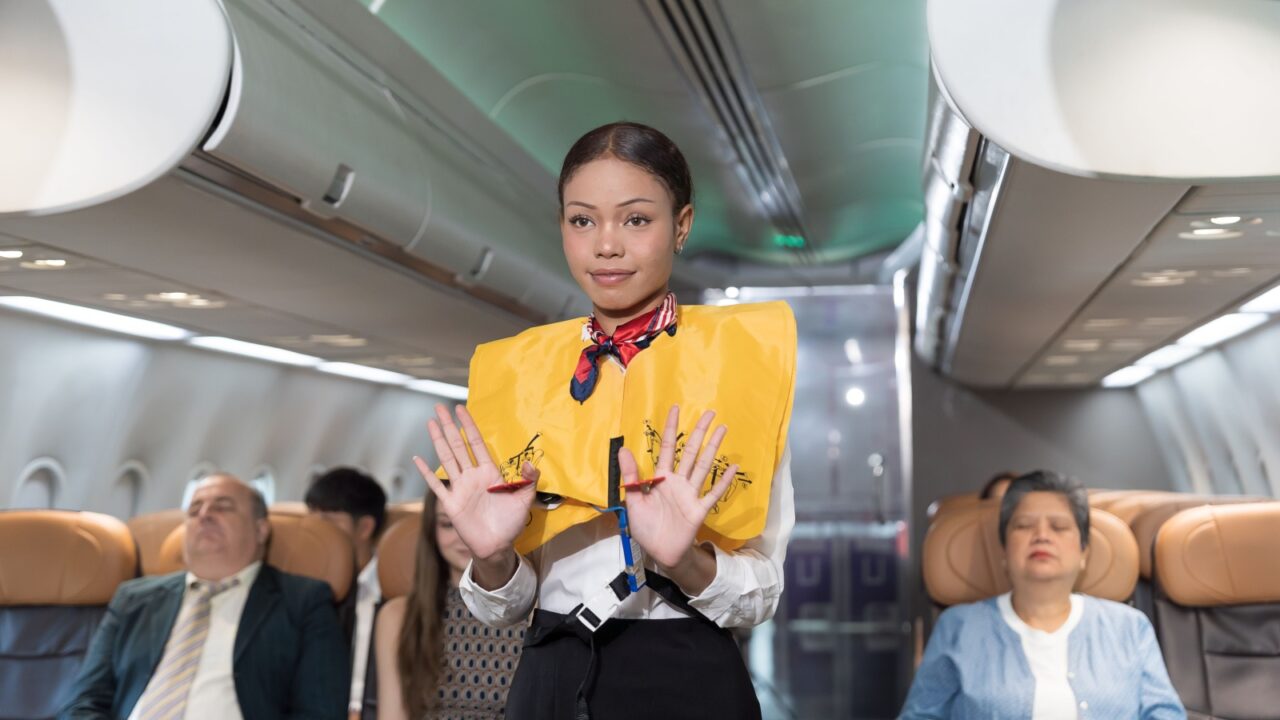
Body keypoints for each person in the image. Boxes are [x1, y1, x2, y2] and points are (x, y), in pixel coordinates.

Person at [414, 121, 796, 719]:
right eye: (582, 221)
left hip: (688, 673)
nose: (606, 246)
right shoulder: (524, 377)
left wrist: (684, 561)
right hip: (552, 673)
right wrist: (490, 556)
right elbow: (504, 608)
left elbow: (761, 594)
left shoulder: (736, 370)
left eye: (636, 219)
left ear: (682, 226)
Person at [60, 474, 349, 720]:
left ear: (261, 529)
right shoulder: (133, 599)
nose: (204, 515)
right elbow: (83, 701)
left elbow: (320, 711)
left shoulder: (303, 601)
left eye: (223, 507)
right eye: (194, 509)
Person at [900, 471, 1185, 719]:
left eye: (1059, 527)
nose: (1042, 536)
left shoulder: (1130, 627)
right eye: (1024, 526)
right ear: (1004, 550)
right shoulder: (958, 627)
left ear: (1083, 552)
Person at [374, 492, 524, 719]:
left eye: (475, 521)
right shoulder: (398, 616)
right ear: (432, 531)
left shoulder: (533, 609)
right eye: (448, 524)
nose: (463, 536)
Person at [305, 466, 389, 717]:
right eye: (310, 521)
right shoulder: (300, 589)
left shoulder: (391, 591)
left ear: (364, 528)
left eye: (326, 522)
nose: (314, 534)